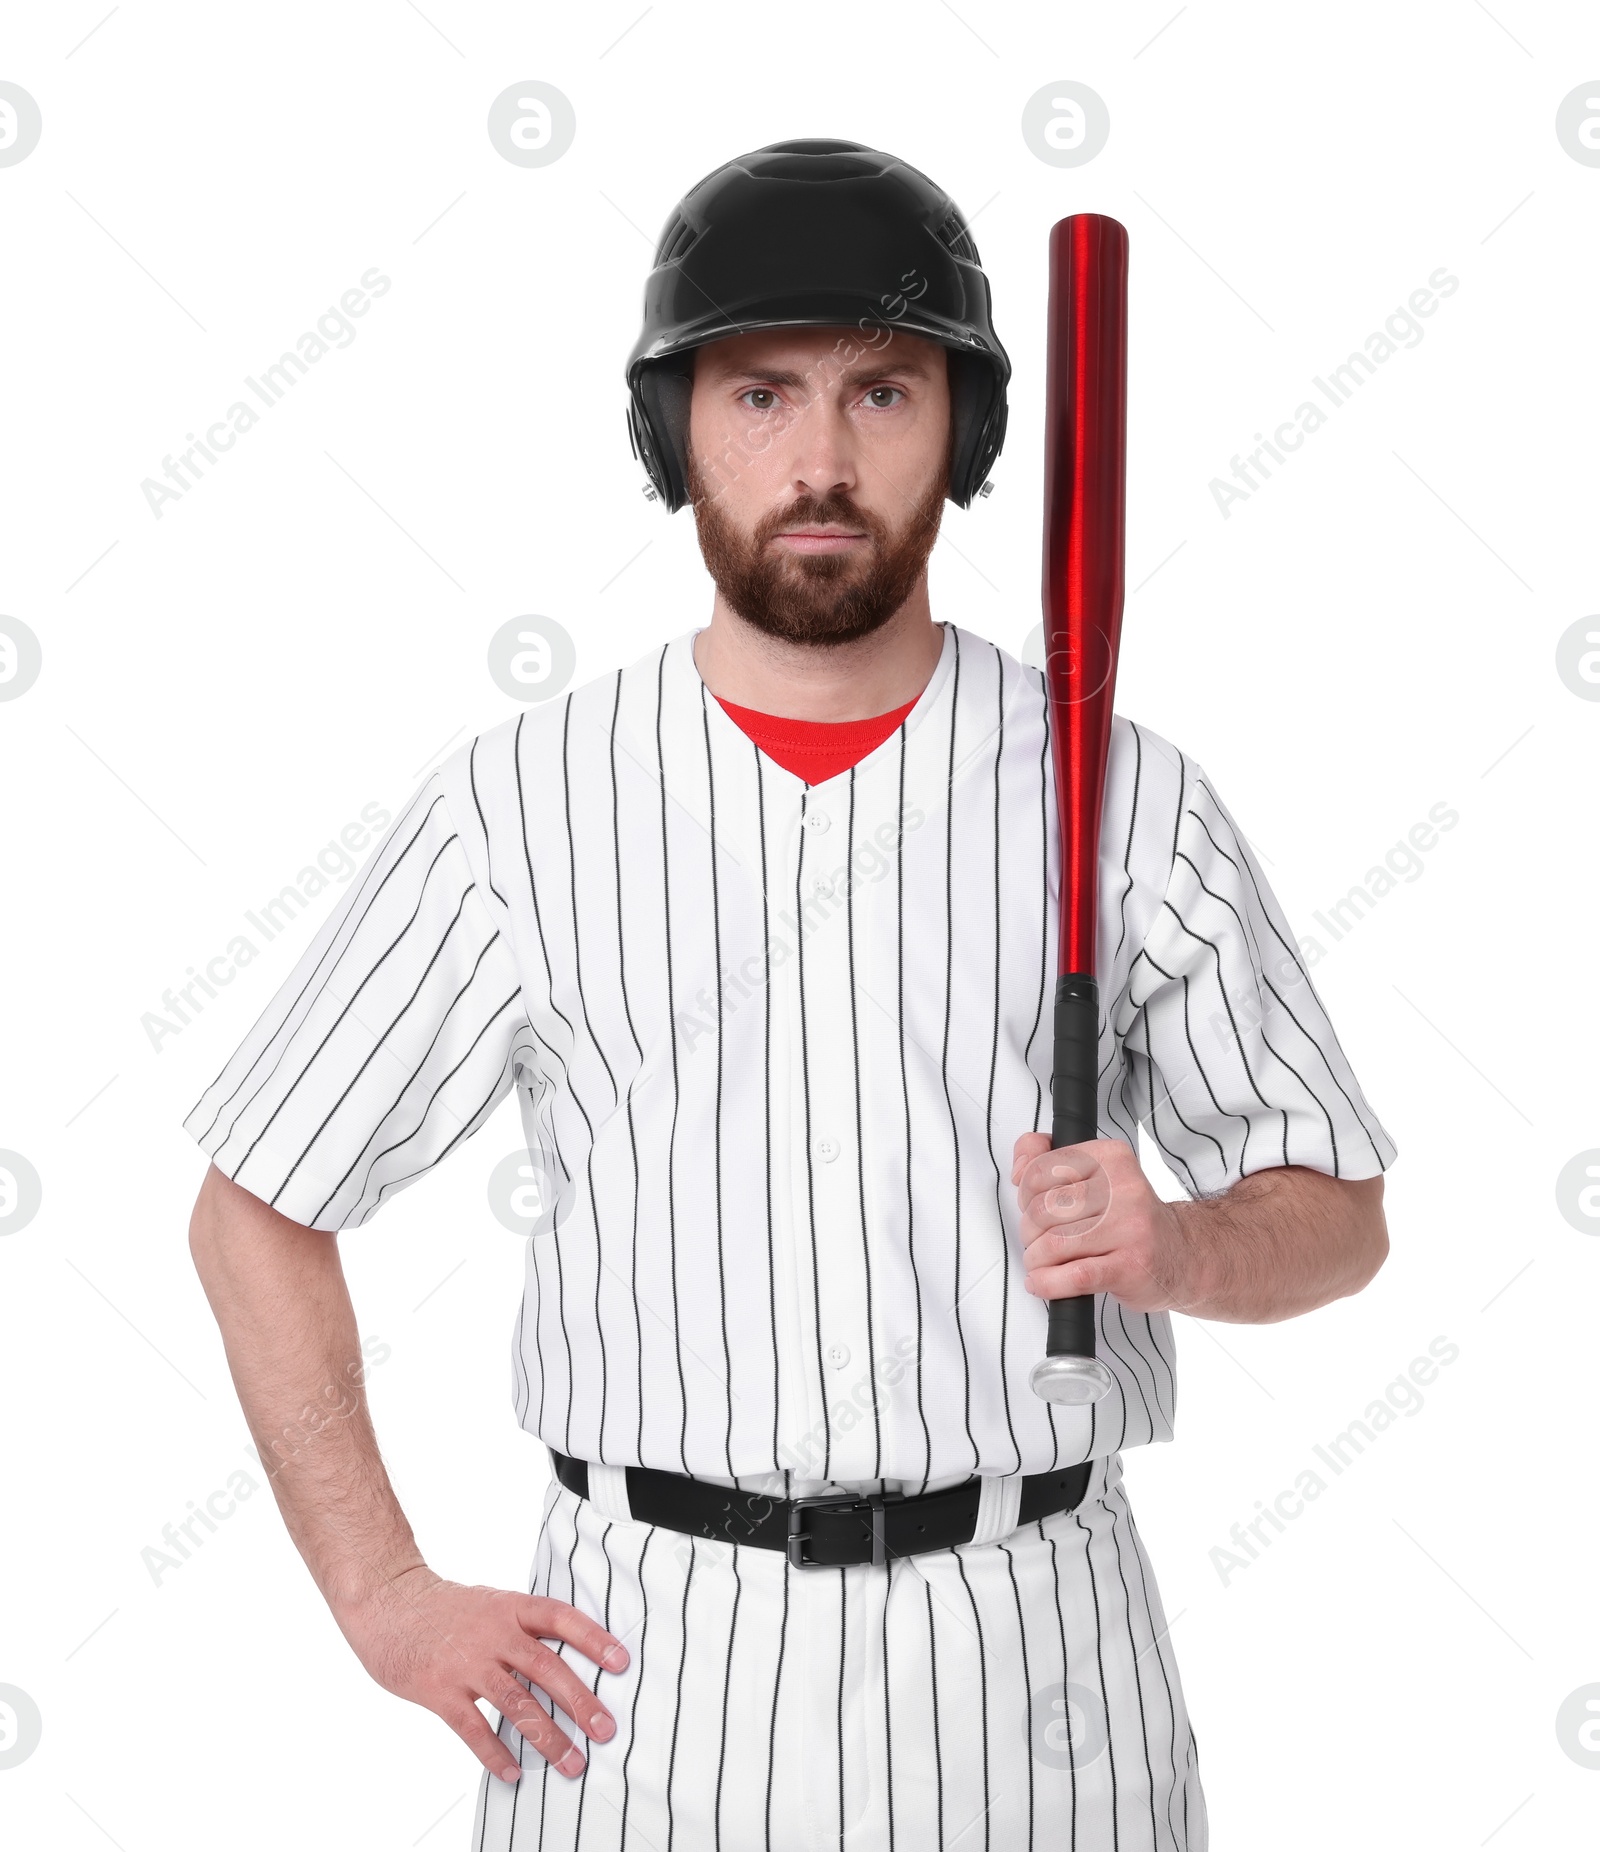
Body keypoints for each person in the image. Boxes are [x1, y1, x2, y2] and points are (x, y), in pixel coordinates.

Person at [185, 140, 1395, 1851]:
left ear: (962, 436)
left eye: (883, 393)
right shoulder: (520, 806)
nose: (821, 461)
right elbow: (255, 1208)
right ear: (674, 430)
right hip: (640, 1676)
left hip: (1039, 1661)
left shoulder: (1129, 796)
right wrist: (385, 1594)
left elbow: (1337, 1215)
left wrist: (1184, 1246)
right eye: (761, 395)